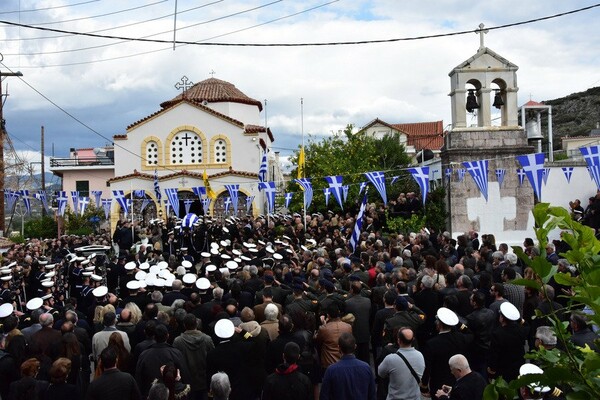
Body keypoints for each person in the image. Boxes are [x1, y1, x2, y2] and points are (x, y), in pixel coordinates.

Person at [320, 333, 376, 400]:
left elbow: (324, 396)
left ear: (339, 348)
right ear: (355, 346)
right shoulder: (366, 368)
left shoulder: (331, 370)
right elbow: (372, 395)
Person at [172, 314, 214, 400]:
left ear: (184, 325)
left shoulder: (178, 341)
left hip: (186, 382)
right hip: (203, 381)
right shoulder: (207, 339)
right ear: (196, 324)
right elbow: (213, 358)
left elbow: (175, 362)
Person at [378, 327, 425, 400]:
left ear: (399, 340)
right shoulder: (420, 356)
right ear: (413, 340)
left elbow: (380, 373)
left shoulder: (390, 359)